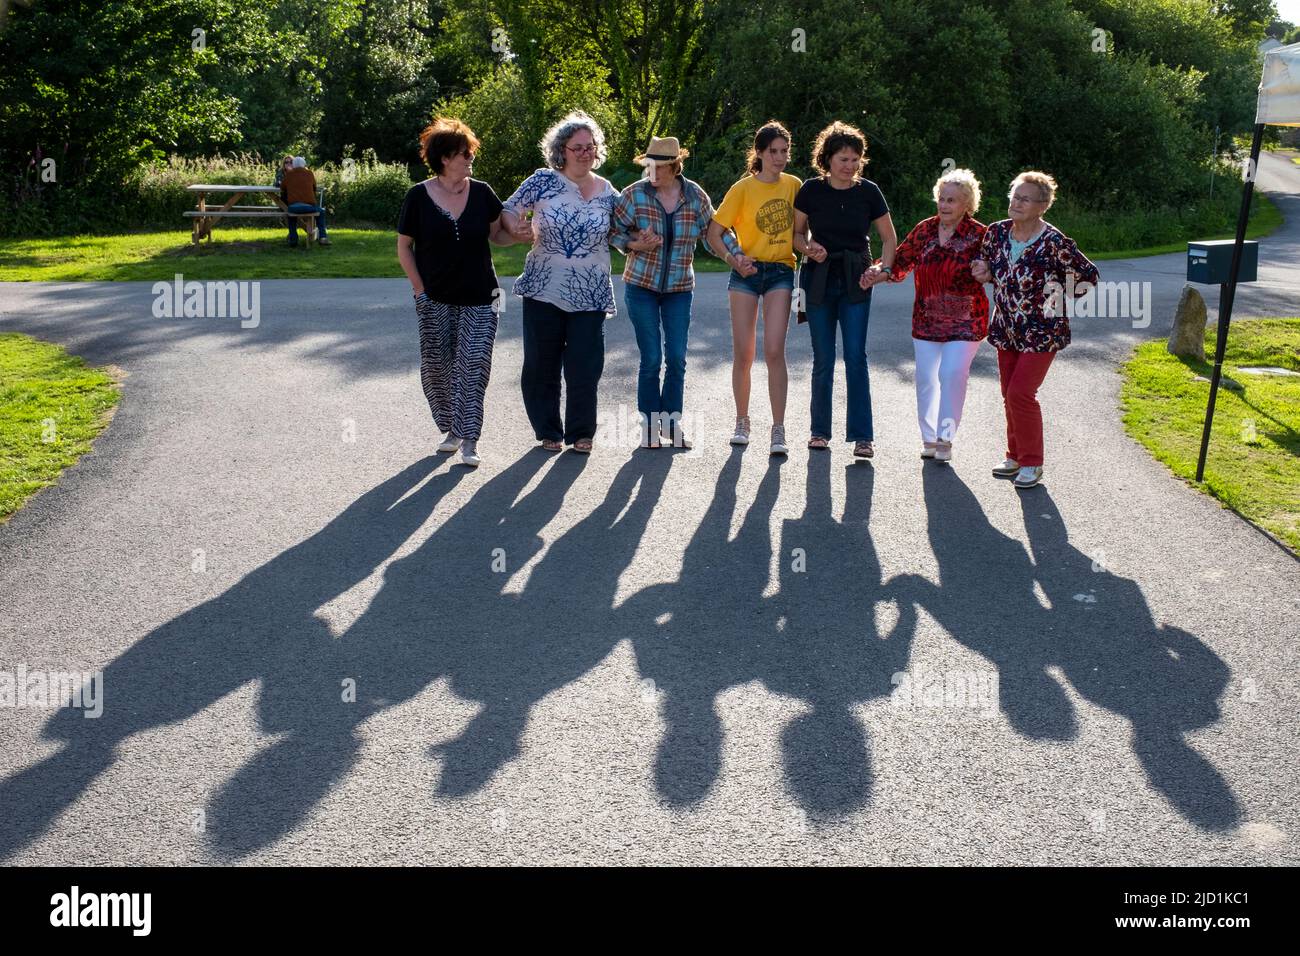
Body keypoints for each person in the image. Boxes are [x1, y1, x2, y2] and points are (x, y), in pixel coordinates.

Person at [396, 117, 518, 468]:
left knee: (473, 364)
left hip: (482, 294)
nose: (470, 158)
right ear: (445, 157)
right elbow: (404, 247)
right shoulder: (418, 196)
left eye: (470, 152)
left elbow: (498, 235)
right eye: (464, 153)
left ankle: (469, 438)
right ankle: (451, 428)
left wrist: (524, 234)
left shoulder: (482, 192)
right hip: (434, 296)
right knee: (439, 367)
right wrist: (419, 290)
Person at [500, 111, 619, 454]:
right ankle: (548, 430)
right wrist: (516, 227)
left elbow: (622, 230)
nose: (585, 152)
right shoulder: (542, 181)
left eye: (590, 146)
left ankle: (582, 433)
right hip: (543, 286)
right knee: (541, 363)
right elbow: (509, 209)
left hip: (591, 289)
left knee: (586, 364)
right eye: (577, 147)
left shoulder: (607, 191)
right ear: (562, 150)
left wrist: (637, 242)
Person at [971, 171, 1099, 489]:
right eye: (1014, 196)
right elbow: (986, 265)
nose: (1016, 202)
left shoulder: (1054, 241)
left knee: (1021, 393)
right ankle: (1014, 455)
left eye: (1024, 198)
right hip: (1007, 327)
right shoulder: (996, 232)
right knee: (1008, 394)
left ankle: (1032, 463)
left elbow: (1088, 276)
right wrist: (982, 271)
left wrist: (1061, 291)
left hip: (1043, 329)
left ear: (1042, 206)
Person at [793, 120, 896, 459]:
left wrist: (882, 269)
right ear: (827, 159)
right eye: (843, 159)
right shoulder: (810, 190)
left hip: (856, 277)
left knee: (855, 357)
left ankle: (863, 437)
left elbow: (889, 238)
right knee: (822, 359)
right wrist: (809, 249)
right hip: (817, 279)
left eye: (855, 160)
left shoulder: (869, 191)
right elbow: (796, 236)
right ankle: (819, 432)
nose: (849, 166)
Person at [610, 136, 721, 449]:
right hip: (640, 285)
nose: (653, 173)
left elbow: (712, 233)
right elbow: (614, 230)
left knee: (676, 358)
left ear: (675, 166)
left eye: (659, 167)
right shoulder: (634, 194)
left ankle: (671, 426)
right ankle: (648, 427)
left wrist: (736, 254)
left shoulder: (695, 196)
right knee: (651, 358)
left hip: (679, 288)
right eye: (649, 166)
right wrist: (634, 243)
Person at [873, 167, 988, 462]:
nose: (944, 205)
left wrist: (985, 272)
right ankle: (929, 438)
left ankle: (945, 437)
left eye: (951, 200)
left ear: (967, 205)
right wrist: (879, 271)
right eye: (941, 198)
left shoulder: (980, 235)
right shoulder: (925, 229)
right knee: (926, 378)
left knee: (951, 374)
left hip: (966, 320)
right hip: (926, 320)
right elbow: (900, 261)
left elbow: (996, 269)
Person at [706, 121, 800, 455]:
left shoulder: (794, 186)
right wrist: (735, 260)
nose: (779, 158)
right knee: (744, 353)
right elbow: (714, 232)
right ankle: (742, 421)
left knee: (775, 350)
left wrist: (813, 246)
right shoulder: (742, 189)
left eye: (784, 151)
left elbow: (803, 232)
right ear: (759, 153)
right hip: (746, 272)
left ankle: (778, 429)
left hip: (781, 271)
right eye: (773, 151)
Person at [281, 156, 330, 247]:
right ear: (304, 165)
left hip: (294, 207)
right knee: (321, 211)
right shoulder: (309, 173)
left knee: (291, 216)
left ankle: (293, 239)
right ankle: (323, 237)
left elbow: (282, 187)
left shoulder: (289, 174)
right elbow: (314, 187)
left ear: (294, 165)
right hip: (309, 207)